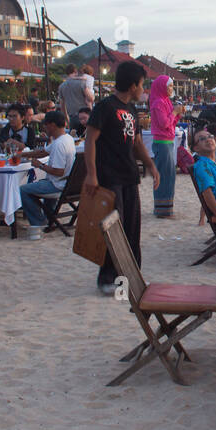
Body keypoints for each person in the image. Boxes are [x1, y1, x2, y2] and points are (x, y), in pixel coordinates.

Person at [83, 61, 160, 295]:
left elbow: (136, 142)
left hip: (129, 176)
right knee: (114, 229)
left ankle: (131, 275)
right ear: (133, 85)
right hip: (109, 176)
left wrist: (150, 165)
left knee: (132, 228)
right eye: (142, 85)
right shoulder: (105, 107)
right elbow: (90, 140)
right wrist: (92, 174)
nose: (143, 89)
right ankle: (108, 278)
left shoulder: (132, 110)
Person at [18, 111, 77, 238]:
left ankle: (38, 222)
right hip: (68, 184)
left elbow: (58, 171)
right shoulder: (66, 138)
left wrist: (40, 165)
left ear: (52, 125)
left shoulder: (59, 145)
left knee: (23, 190)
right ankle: (49, 217)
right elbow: (43, 152)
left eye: (45, 125)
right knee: (41, 182)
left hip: (58, 184)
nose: (44, 127)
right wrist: (22, 154)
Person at [149, 75, 180, 218]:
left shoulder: (166, 101)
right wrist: (174, 112)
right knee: (164, 175)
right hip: (162, 143)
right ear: (162, 87)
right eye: (170, 86)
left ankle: (166, 208)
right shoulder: (158, 103)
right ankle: (162, 209)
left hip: (168, 141)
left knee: (170, 175)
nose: (171, 89)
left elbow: (171, 123)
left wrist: (177, 113)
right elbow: (164, 124)